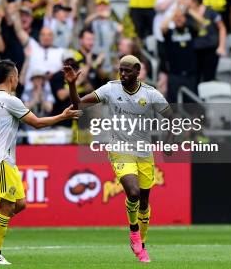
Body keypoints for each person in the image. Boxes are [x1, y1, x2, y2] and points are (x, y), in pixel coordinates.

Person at [0, 60, 81, 264]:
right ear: (12, 77)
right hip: (1, 159)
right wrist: (63, 116)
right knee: (7, 207)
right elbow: (36, 123)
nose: (18, 79)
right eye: (17, 75)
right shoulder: (11, 101)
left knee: (19, 204)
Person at [63, 55, 171, 263]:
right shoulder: (110, 89)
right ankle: (133, 232)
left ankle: (143, 245)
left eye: (127, 71)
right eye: (120, 70)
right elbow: (78, 104)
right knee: (133, 192)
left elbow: (172, 118)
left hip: (144, 152)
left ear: (138, 71)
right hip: (119, 148)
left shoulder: (150, 94)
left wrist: (168, 141)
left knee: (144, 203)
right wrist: (72, 85)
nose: (122, 74)